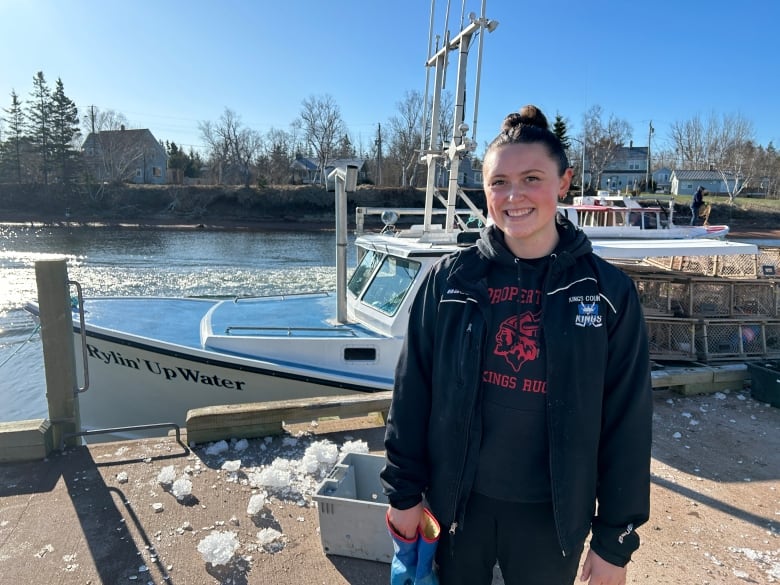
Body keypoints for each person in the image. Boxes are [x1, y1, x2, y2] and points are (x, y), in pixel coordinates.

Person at [381, 104, 653, 585]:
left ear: (563, 182)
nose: (514, 195)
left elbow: (627, 423)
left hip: (551, 519)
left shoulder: (608, 294)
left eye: (531, 178)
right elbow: (412, 391)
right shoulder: (451, 281)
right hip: (456, 508)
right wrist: (404, 493)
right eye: (499, 183)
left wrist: (615, 541)